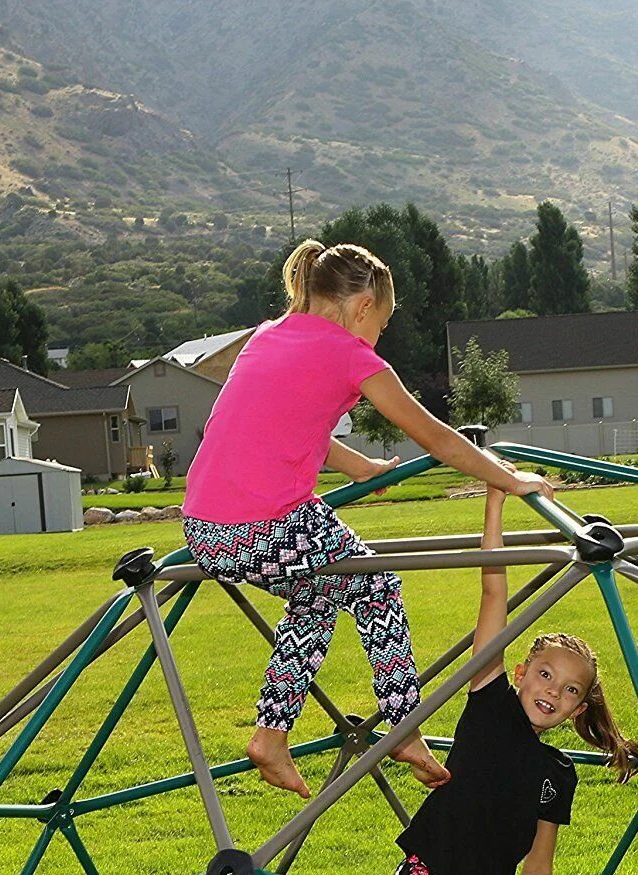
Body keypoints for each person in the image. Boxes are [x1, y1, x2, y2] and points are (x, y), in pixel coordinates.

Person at [181, 238, 556, 798]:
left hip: (206, 528)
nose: (378, 338)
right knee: (375, 582)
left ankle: (271, 735)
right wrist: (506, 477)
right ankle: (405, 729)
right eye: (381, 325)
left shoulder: (270, 335)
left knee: (320, 597)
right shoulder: (347, 353)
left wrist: (358, 466)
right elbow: (433, 435)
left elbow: (286, 424)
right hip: (258, 527)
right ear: (361, 309)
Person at [309, 485, 638, 875]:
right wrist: (495, 503)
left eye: (569, 690)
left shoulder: (558, 773)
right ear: (519, 671)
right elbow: (494, 590)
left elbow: (538, 867)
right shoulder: (489, 707)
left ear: (580, 708)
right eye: (544, 675)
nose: (552, 692)